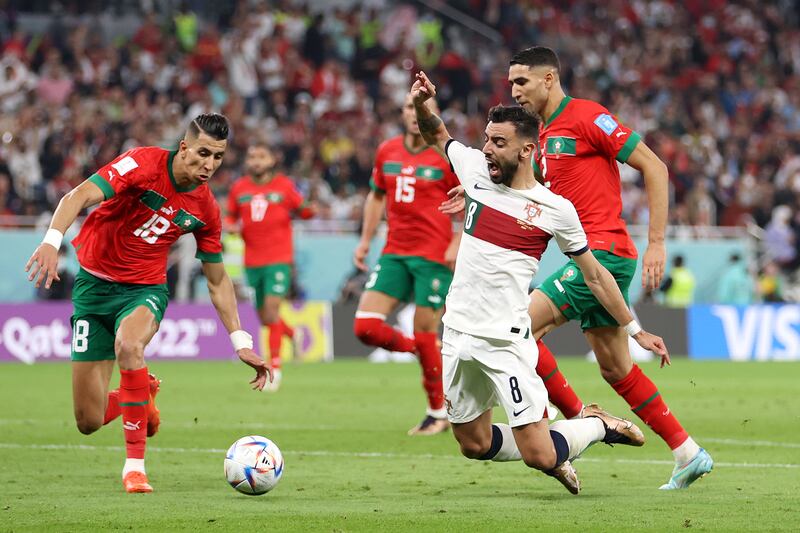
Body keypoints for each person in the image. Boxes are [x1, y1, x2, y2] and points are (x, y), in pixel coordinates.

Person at [441, 46, 713, 489]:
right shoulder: (537, 137)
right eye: (511, 82)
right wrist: (477, 192)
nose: (514, 90)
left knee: (515, 325)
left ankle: (575, 422)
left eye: (522, 82)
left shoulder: (588, 116)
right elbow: (527, 189)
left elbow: (655, 166)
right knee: (616, 369)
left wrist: (657, 242)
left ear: (549, 79)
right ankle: (687, 452)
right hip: (587, 256)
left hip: (602, 254)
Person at [25, 113, 270, 494]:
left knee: (129, 344)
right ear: (184, 146)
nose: (209, 165)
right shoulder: (142, 164)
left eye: (218, 157)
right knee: (88, 420)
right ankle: (140, 395)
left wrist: (241, 341)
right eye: (203, 153)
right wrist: (51, 242)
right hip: (92, 289)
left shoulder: (206, 210)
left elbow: (217, 280)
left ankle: (134, 468)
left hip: (144, 290)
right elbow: (78, 196)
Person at [352, 92, 462, 435]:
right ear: (401, 114)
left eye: (426, 108)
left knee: (425, 330)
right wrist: (366, 240)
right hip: (394, 253)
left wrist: (459, 241)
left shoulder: (449, 155)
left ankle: (437, 413)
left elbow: (477, 198)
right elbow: (376, 196)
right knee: (365, 327)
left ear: (436, 115)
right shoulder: (387, 150)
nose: (417, 113)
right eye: (410, 107)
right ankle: (424, 350)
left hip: (433, 257)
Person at [226, 142, 315, 391]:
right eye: (252, 156)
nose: (256, 160)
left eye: (261, 156)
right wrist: (231, 224)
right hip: (253, 261)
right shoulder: (239, 188)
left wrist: (310, 209)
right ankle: (292, 333)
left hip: (279, 259)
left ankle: (274, 368)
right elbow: (231, 215)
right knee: (266, 318)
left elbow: (303, 209)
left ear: (271, 160)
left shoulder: (284, 185)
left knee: (273, 310)